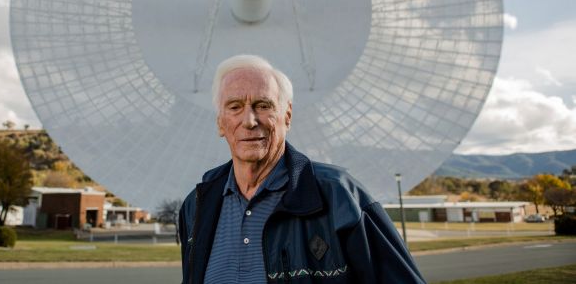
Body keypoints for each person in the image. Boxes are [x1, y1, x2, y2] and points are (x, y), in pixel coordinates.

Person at [179, 55, 426, 283]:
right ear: (221, 123)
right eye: (234, 107)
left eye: (263, 105)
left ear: (287, 116)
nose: (249, 121)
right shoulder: (197, 206)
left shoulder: (339, 196)